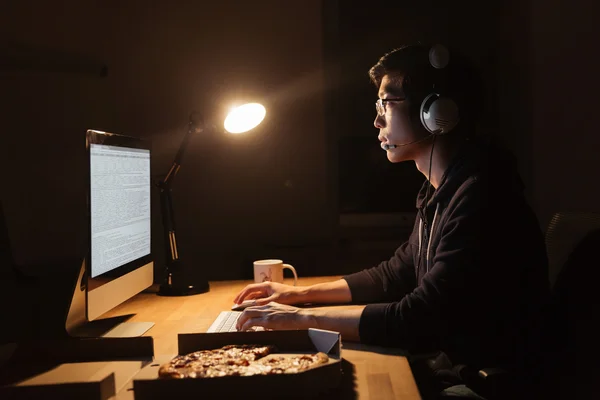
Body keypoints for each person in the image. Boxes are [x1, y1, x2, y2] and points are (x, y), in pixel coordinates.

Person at [234, 44, 549, 397]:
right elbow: (394, 275)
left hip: (487, 384)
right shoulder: (444, 190)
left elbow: (417, 319)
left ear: (435, 112)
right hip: (458, 369)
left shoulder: (482, 197)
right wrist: (299, 295)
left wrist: (305, 320)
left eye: (386, 103)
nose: (377, 120)